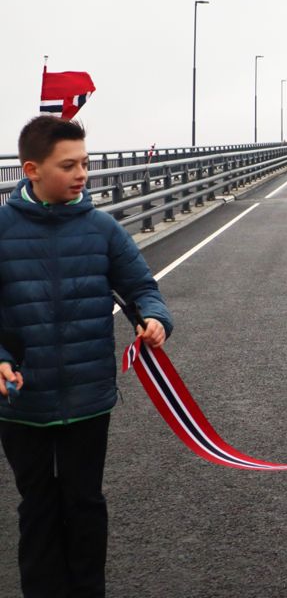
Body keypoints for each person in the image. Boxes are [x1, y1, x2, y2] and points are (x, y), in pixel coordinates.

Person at [0, 116, 173, 596]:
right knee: (36, 506)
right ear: (31, 169)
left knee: (84, 503)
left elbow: (141, 287)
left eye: (87, 163)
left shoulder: (102, 228)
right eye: (69, 165)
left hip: (87, 396)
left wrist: (154, 318)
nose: (83, 175)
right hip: (22, 401)